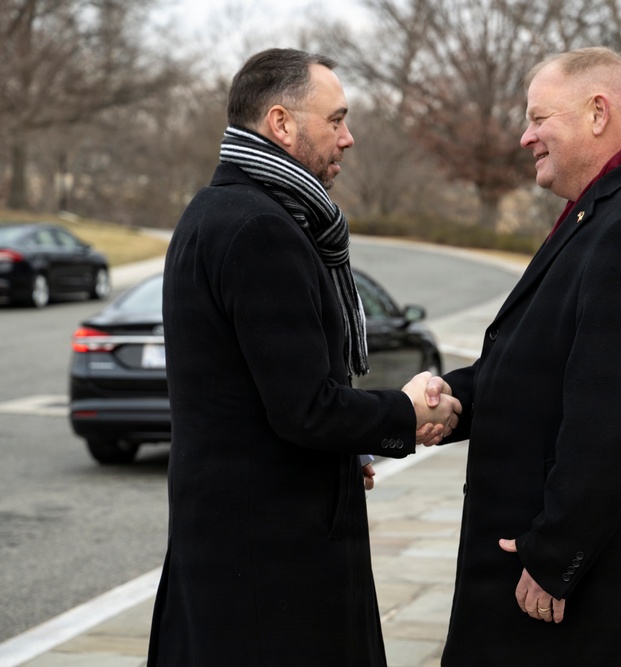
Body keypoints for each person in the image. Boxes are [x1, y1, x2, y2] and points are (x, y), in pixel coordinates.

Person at [146, 48, 460, 667]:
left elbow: (253, 391)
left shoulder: (213, 212)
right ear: (282, 124)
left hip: (232, 538)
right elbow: (304, 409)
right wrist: (402, 410)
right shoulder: (261, 229)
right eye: (336, 120)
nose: (349, 138)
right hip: (271, 560)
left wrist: (352, 448)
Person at [436, 47, 621, 665]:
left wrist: (555, 553)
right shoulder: (610, 210)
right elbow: (542, 367)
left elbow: (615, 424)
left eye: (539, 118)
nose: (525, 136)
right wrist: (446, 400)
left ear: (598, 112)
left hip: (598, 608)